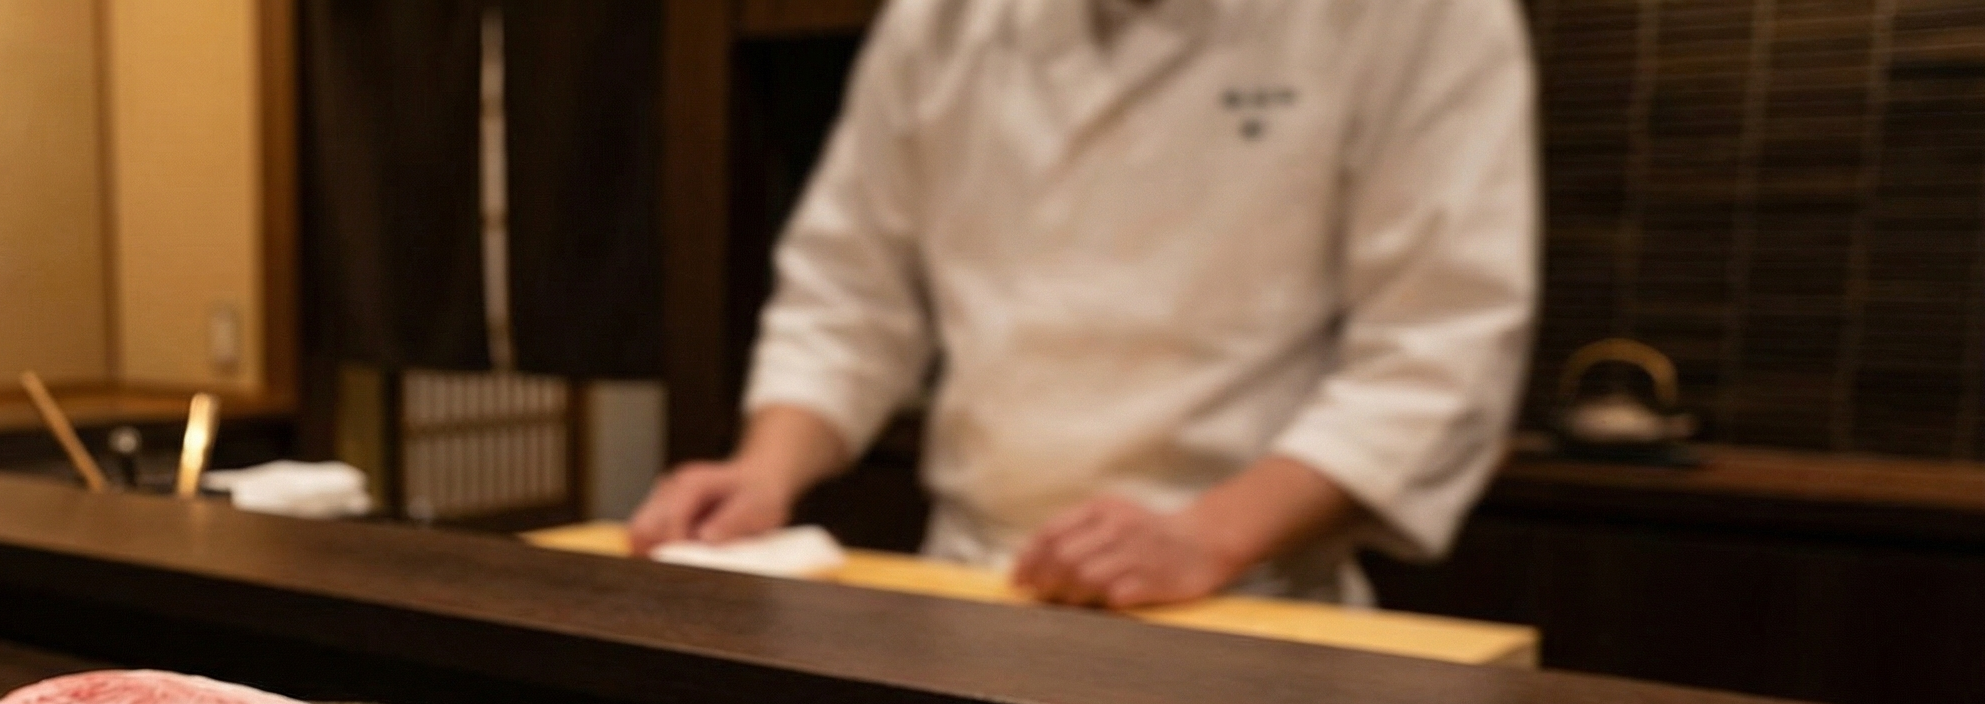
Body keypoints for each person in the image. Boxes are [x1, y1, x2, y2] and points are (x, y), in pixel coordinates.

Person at [628, 0, 1538, 607]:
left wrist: (1209, 537)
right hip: (975, 585)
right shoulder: (939, 21)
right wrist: (764, 470)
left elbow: (1444, 341)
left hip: (1245, 604)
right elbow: (849, 292)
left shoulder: (1421, 17)